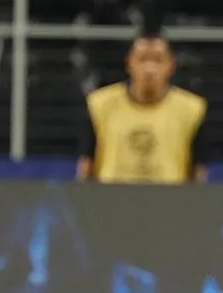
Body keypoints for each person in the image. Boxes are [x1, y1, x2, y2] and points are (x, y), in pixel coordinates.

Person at [78, 34, 209, 184]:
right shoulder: (100, 104)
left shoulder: (192, 109)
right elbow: (86, 165)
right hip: (111, 198)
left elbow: (198, 171)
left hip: (170, 200)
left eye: (158, 60)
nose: (149, 68)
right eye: (143, 59)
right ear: (129, 63)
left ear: (171, 66)